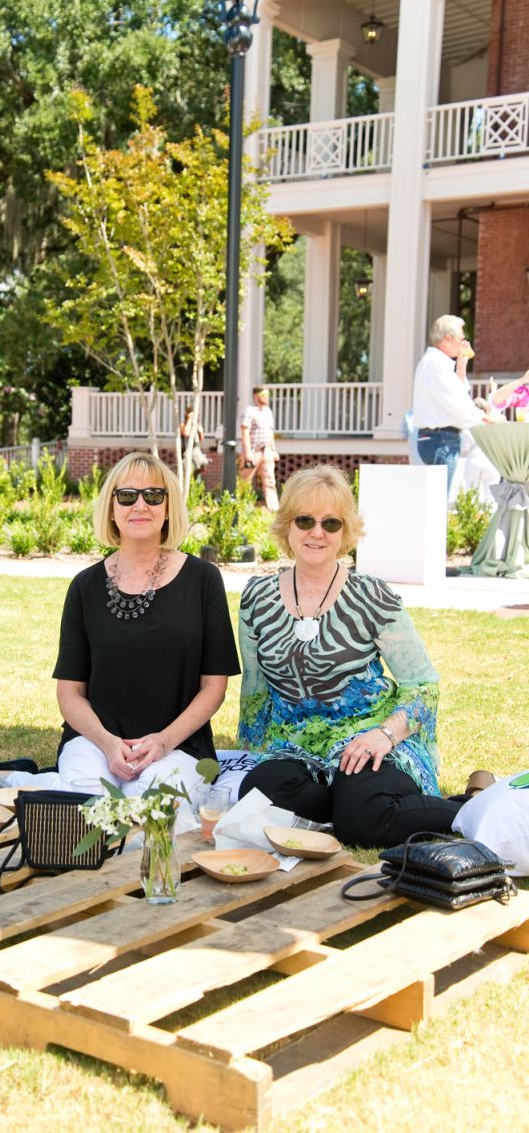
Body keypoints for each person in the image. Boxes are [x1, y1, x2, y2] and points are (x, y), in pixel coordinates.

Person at [236, 465, 463, 850]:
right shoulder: (256, 598)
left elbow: (423, 685)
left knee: (362, 824)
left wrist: (384, 735)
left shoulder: (371, 596)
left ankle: (472, 809)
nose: (317, 533)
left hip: (368, 740)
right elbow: (255, 689)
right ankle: (360, 806)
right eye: (305, 520)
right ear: (287, 526)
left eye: (331, 523)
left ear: (346, 532)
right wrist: (255, 755)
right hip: (295, 748)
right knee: (256, 795)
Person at [54, 452, 240, 801]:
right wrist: (108, 744)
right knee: (86, 808)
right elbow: (69, 694)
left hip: (180, 746)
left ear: (169, 508)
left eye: (154, 495)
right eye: (127, 496)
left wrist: (164, 740)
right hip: (94, 742)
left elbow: (214, 687)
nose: (140, 505)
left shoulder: (203, 580)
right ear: (111, 508)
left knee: (151, 810)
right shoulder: (84, 586)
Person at [412, 314, 485, 496]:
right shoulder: (437, 366)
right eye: (461, 339)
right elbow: (458, 405)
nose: (463, 344)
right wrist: (484, 418)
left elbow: (456, 397)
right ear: (447, 339)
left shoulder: (432, 363)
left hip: (432, 438)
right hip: (442, 440)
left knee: (433, 501)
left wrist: (461, 367)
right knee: (438, 503)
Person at [238, 386, 279, 510]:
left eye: (267, 394)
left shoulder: (268, 412)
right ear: (255, 396)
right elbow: (245, 432)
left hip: (267, 451)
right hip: (253, 451)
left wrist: (274, 450)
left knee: (270, 481)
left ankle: (273, 509)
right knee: (245, 480)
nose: (266, 397)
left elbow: (270, 432)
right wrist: (248, 452)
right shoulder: (249, 411)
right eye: (263, 394)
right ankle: (240, 506)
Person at [179, 406, 209, 476]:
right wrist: (189, 419)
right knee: (188, 472)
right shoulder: (183, 424)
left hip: (196, 452)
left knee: (202, 467)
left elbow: (201, 440)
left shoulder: (197, 424)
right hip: (187, 452)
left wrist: (201, 431)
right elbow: (186, 433)